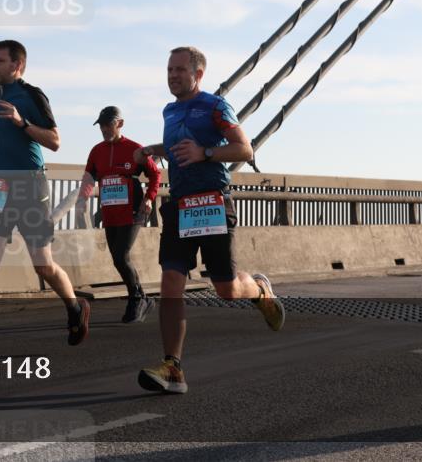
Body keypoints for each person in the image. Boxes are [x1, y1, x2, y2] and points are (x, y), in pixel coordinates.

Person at [134, 46, 285, 394]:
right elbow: (179, 147)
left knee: (227, 290)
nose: (172, 75)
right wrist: (155, 150)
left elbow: (244, 149)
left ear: (198, 74)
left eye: (180, 70)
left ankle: (259, 290)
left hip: (213, 203)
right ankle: (172, 367)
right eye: (169, 69)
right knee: (171, 280)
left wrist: (206, 153)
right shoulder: (169, 110)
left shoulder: (216, 106)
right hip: (180, 206)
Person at [0, 40, 90, 359]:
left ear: (18, 66)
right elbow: (2, 135)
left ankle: (74, 307)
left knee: (42, 264)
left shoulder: (31, 96)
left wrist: (21, 122)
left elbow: (54, 140)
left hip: (29, 186)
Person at [75, 106, 161, 323]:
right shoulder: (96, 151)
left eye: (108, 124)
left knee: (122, 255)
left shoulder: (135, 149)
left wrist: (149, 198)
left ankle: (136, 299)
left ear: (119, 124)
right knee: (117, 258)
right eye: (101, 125)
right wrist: (82, 199)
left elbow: (155, 174)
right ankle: (141, 296)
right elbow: (88, 178)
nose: (104, 129)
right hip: (110, 213)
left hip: (134, 211)